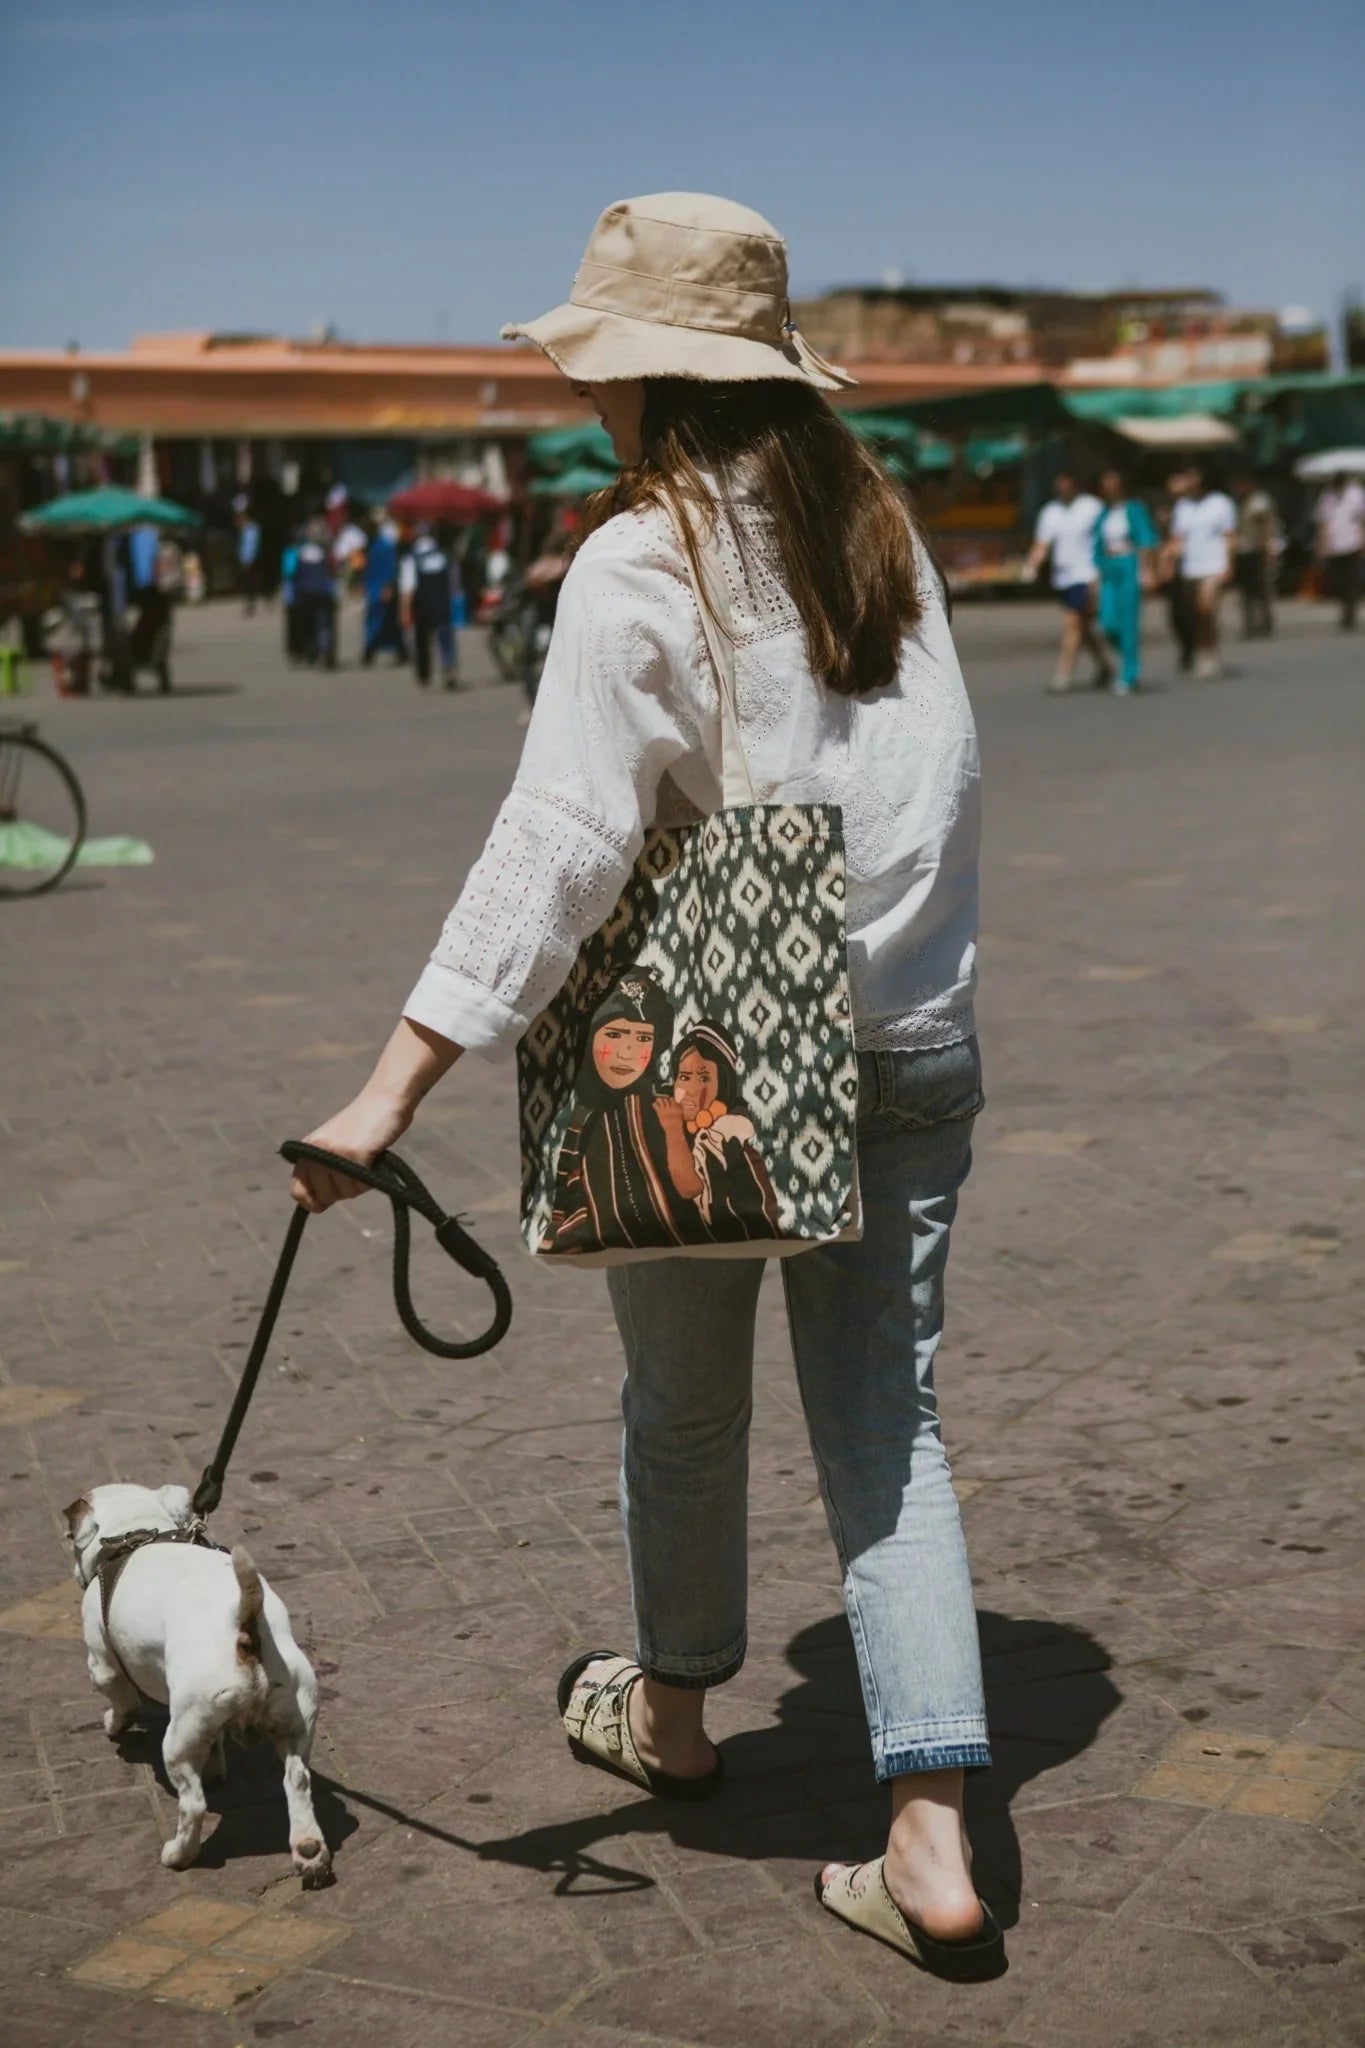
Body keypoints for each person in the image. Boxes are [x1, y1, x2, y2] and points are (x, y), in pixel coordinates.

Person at [288, 192, 1002, 1980]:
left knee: (683, 1414)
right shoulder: (879, 533)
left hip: (722, 1063)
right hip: (913, 1037)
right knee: (889, 1434)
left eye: (598, 372)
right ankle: (933, 1840)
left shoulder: (638, 560)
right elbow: (937, 794)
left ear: (653, 383)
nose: (583, 404)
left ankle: (677, 1719)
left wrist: (388, 1092)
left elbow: (564, 843)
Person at [544, 974, 705, 1253]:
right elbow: (567, 1202)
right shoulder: (579, 1120)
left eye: (643, 1037)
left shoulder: (667, 1106)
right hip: (635, 1245)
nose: (627, 1052)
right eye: (614, 1035)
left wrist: (672, 1128)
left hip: (690, 1240)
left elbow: (690, 1187)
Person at [670, 1020, 782, 1239]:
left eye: (704, 1078)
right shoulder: (658, 1121)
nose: (692, 1090)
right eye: (684, 1077)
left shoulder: (733, 1143)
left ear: (724, 1083)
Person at [1024, 470, 1112, 694]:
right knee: (1083, 626)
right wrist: (1032, 564)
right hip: (1064, 577)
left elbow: (1106, 538)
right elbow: (1042, 544)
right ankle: (1104, 666)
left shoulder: (1092, 507)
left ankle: (1063, 675)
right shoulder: (1051, 512)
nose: (1062, 487)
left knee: (1072, 624)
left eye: (1066, 483)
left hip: (1088, 574)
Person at [1165, 465, 1236, 678]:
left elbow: (1229, 535)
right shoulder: (1182, 507)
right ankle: (1204, 648)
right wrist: (1168, 565)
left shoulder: (1221, 503)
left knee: (1206, 608)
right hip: (1190, 567)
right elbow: (1177, 539)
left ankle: (1209, 654)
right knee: (1196, 613)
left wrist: (1230, 564)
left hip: (1214, 565)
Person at [1092, 470, 1158, 694]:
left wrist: (1147, 571)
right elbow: (1097, 544)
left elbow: (1146, 540)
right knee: (1106, 622)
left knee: (1129, 621)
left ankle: (1129, 672)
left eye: (1114, 485)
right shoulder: (1103, 513)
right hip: (1109, 568)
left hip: (1129, 564)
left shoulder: (1134, 509)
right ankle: (1129, 656)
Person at [400, 524, 460, 688]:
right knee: (445, 637)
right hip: (442, 602)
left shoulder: (412, 557)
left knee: (422, 641)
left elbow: (408, 588)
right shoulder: (445, 555)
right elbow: (454, 584)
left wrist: (405, 611)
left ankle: (424, 673)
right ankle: (449, 667)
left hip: (422, 604)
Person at [1314, 471, 1365, 630]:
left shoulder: (1356, 493)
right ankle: (1345, 608)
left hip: (1352, 543)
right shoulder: (1327, 496)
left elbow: (1362, 520)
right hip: (1335, 545)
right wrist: (1322, 545)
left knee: (1351, 580)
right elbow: (1323, 522)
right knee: (1338, 581)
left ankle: (1349, 612)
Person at [1233, 475, 1281, 638]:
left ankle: (1264, 623)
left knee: (1261, 591)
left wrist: (1268, 551)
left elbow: (1267, 528)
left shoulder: (1259, 502)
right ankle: (1249, 624)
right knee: (1246, 592)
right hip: (1243, 551)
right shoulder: (1240, 503)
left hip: (1257, 551)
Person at [1160, 468, 1199, 672]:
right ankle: (1186, 647)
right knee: (1175, 615)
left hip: (1191, 566)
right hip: (1173, 569)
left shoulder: (1193, 508)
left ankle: (1194, 648)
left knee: (1191, 611)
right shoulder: (1168, 511)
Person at [291, 520, 337, 669]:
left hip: (307, 593)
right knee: (324, 625)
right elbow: (332, 573)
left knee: (310, 625)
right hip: (323, 592)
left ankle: (314, 653)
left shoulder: (302, 551)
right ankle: (325, 654)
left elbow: (295, 574)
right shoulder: (326, 552)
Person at [361, 515, 407, 665]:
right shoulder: (371, 546)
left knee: (384, 622)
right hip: (373, 588)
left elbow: (391, 569)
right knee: (375, 621)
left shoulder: (385, 546)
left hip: (381, 589)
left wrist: (388, 587)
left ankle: (396, 651)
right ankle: (371, 651)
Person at [235, 506, 262, 615]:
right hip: (245, 559)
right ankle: (249, 603)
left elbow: (253, 545)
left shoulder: (253, 529)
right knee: (247, 582)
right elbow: (242, 546)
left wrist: (250, 559)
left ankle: (251, 603)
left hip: (252, 559)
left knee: (251, 582)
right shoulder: (244, 530)